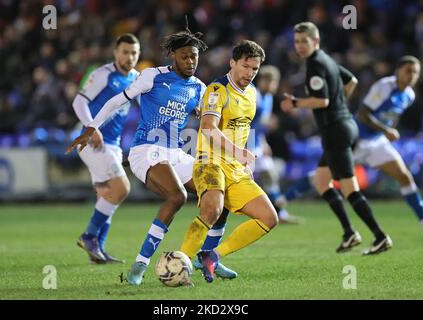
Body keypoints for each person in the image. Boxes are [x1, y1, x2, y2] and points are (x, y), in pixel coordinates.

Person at [67, 23, 235, 285]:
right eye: (185, 56)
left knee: (219, 196)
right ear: (173, 56)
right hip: (146, 150)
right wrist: (91, 127)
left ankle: (208, 256)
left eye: (195, 56)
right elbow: (116, 100)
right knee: (177, 196)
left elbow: (209, 125)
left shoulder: (199, 88)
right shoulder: (152, 76)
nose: (191, 61)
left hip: (175, 153)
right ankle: (140, 265)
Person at [277, 56, 423, 239]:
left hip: (376, 142)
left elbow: (389, 115)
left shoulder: (409, 95)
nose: (412, 75)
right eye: (408, 70)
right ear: (398, 71)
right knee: (320, 178)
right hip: (355, 139)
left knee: (404, 176)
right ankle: (281, 202)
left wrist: (385, 132)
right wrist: (386, 130)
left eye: (416, 72)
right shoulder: (384, 86)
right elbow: (363, 114)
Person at [280, 22, 392, 255]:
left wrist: (295, 103)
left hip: (336, 131)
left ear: (316, 41)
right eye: (297, 41)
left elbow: (322, 101)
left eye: (304, 41)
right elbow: (352, 81)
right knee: (322, 183)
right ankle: (350, 233)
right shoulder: (328, 60)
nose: (300, 46)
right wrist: (341, 104)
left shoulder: (314, 64)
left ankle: (380, 236)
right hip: (343, 126)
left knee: (350, 189)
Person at [179, 40, 279, 284]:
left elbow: (241, 131)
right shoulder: (217, 90)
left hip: (235, 167)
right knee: (213, 208)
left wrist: (243, 161)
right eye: (245, 66)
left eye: (254, 69)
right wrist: (239, 152)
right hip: (209, 162)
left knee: (269, 218)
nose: (249, 73)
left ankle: (212, 256)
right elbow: (207, 127)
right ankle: (180, 264)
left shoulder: (253, 93)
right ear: (232, 63)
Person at [71, 34, 140, 264]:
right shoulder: (103, 74)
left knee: (106, 195)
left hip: (114, 144)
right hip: (93, 142)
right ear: (115, 52)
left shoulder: (136, 78)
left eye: (134, 52)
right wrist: (92, 127)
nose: (129, 57)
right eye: (125, 52)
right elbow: (78, 101)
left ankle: (97, 251)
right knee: (122, 188)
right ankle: (88, 236)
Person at [250, 65, 302, 224]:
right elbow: (246, 123)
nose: (273, 85)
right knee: (242, 180)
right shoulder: (253, 95)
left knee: (270, 177)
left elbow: (260, 125)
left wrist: (263, 142)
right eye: (270, 81)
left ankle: (280, 213)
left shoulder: (268, 98)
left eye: (275, 82)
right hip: (245, 143)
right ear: (262, 81)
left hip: (256, 142)